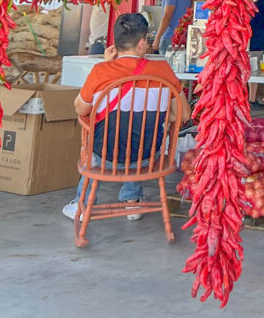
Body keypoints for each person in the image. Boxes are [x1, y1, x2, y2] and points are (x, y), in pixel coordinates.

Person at [62, 12, 190, 221]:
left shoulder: (101, 71)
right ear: (142, 43)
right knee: (140, 130)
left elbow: (80, 110)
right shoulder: (163, 70)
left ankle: (81, 203)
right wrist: (165, 117)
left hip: (105, 156)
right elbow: (184, 114)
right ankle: (132, 201)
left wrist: (105, 64)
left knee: (114, 128)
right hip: (148, 156)